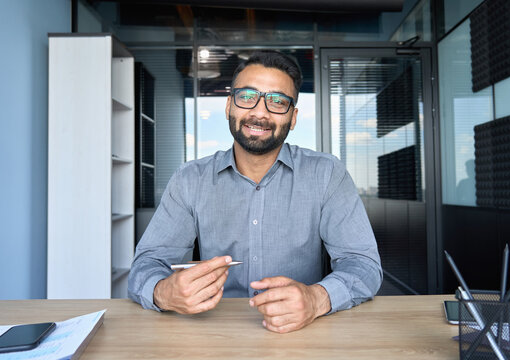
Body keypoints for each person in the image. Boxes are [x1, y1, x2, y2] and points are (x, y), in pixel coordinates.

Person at [128, 50, 382, 333]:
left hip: (300, 333)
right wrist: (164, 292)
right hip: (211, 332)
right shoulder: (190, 179)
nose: (260, 112)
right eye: (247, 96)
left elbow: (363, 265)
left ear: (293, 117)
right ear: (229, 106)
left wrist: (316, 299)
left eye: (277, 101)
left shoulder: (327, 174)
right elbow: (147, 265)